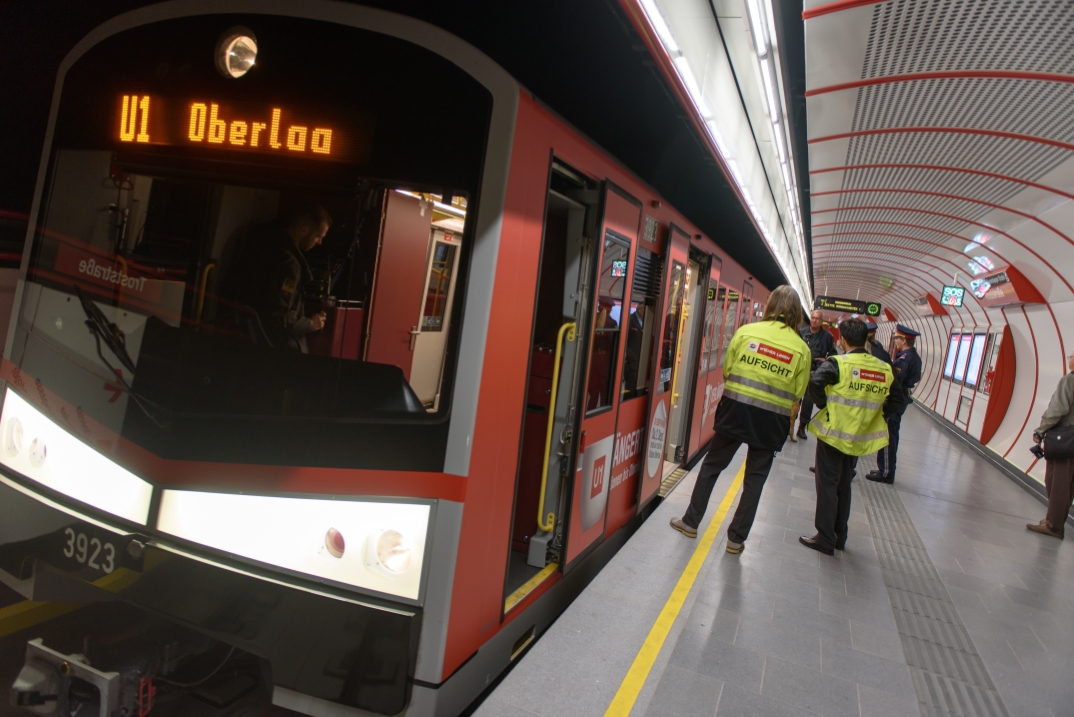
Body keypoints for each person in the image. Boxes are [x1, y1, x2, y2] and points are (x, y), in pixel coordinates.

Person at [670, 285, 810, 554]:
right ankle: (735, 539)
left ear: (769, 307)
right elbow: (797, 393)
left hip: (736, 411)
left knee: (712, 466)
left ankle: (690, 522)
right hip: (771, 422)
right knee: (755, 479)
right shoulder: (801, 349)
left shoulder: (747, 332)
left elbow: (729, 370)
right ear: (795, 314)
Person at [800, 318, 905, 555]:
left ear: (843, 340)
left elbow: (814, 382)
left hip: (834, 433)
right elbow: (898, 399)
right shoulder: (883, 368)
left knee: (827, 484)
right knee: (843, 484)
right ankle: (839, 536)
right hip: (859, 436)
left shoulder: (838, 363)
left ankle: (825, 537)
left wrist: (824, 405)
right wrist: (875, 415)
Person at [228, 204, 331, 352]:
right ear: (303, 230)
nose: (319, 242)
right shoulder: (289, 265)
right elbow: (279, 317)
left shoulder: (264, 243)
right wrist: (311, 324)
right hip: (273, 346)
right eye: (318, 236)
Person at [1026, 350, 1074, 539]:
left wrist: (1041, 429)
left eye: (1072, 356)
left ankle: (1053, 526)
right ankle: (1054, 520)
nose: (1070, 358)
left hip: (1066, 439)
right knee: (1067, 484)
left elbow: (1058, 408)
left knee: (1057, 482)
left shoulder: (1069, 380)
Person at [867, 324, 922, 483]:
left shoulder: (905, 359)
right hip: (904, 398)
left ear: (904, 340)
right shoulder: (913, 357)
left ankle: (886, 472)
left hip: (897, 400)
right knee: (890, 433)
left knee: (888, 435)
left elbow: (895, 381)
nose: (895, 341)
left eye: (897, 338)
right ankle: (884, 468)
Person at [796, 309, 837, 440]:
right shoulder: (801, 332)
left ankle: (802, 427)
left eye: (817, 318)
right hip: (799, 370)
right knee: (795, 398)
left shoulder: (827, 337)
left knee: (808, 401)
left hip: (814, 373)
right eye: (813, 318)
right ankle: (790, 423)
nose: (814, 320)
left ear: (822, 321)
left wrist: (826, 360)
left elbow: (833, 354)